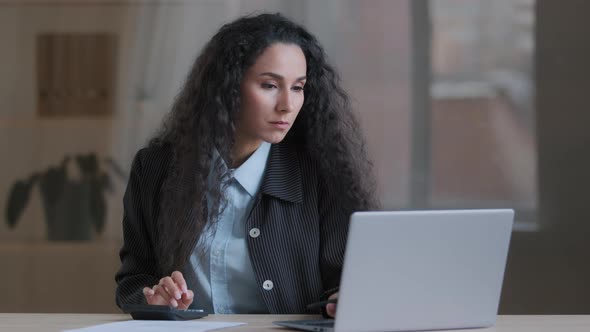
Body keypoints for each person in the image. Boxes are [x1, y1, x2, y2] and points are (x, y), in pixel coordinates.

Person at [115, 13, 377, 317]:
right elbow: (133, 278)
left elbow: (345, 279)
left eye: (298, 87)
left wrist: (344, 298)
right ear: (226, 86)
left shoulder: (320, 172)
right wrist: (153, 298)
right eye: (269, 85)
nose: (287, 105)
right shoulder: (155, 168)